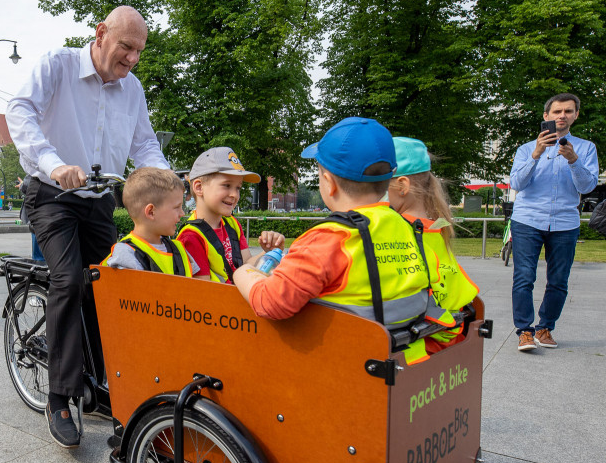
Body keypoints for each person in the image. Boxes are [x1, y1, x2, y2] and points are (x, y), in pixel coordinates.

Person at [6, 5, 169, 448]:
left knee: (113, 284)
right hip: (52, 195)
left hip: (98, 202)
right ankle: (59, 396)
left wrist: (168, 183)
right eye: (126, 47)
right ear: (100, 34)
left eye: (139, 51)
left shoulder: (132, 89)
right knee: (68, 279)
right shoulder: (57, 65)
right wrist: (54, 164)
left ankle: (104, 382)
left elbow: (145, 144)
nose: (133, 58)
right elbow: (18, 110)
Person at [233, 117, 448, 365]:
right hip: (400, 358)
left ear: (330, 183)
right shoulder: (409, 228)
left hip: (343, 366)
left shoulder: (330, 238)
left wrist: (244, 271)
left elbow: (270, 302)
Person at [509, 93, 600, 352]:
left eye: (568, 111)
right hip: (528, 220)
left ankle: (545, 328)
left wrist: (573, 160)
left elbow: (588, 186)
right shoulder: (527, 148)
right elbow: (516, 184)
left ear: (575, 115)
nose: (562, 116)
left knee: (559, 279)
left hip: (565, 223)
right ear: (546, 116)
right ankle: (524, 331)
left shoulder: (585, 148)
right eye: (557, 111)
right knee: (524, 277)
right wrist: (537, 153)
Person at [387, 137, 479, 353]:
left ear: (401, 185)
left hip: (418, 345)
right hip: (449, 335)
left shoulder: (397, 230)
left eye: (378, 184)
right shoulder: (439, 227)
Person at [177, 147, 277, 283]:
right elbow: (201, 292)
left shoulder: (232, 224)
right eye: (226, 185)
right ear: (199, 187)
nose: (234, 195)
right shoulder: (192, 237)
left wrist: (269, 253)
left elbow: (245, 262)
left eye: (238, 188)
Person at [103, 167, 198, 276]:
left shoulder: (180, 249)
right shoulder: (125, 255)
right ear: (151, 212)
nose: (182, 214)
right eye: (177, 207)